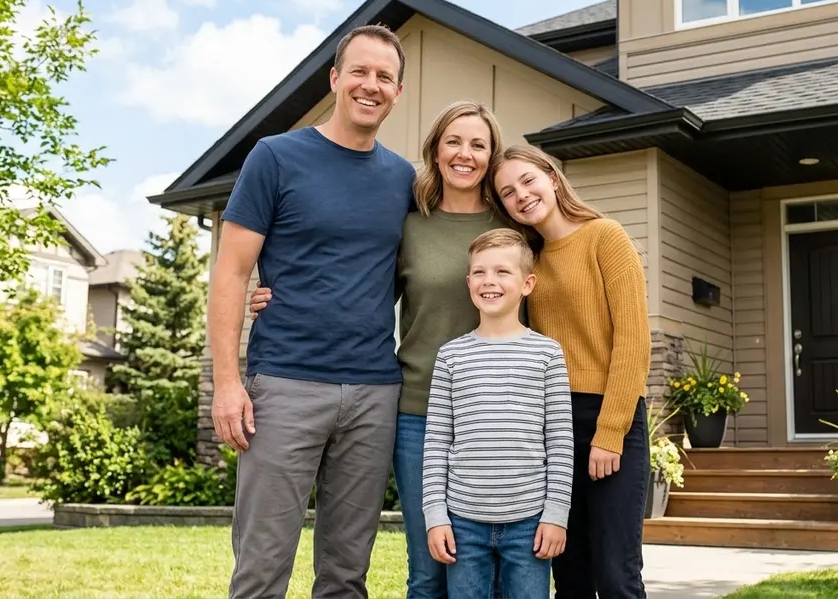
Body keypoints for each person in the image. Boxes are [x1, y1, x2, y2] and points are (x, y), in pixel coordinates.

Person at [247, 100, 514, 598]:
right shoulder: (411, 222)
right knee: (428, 567)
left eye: (479, 144)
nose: (465, 154)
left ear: (492, 155)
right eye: (453, 141)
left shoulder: (513, 231)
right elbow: (360, 283)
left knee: (500, 560)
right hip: (418, 407)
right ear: (434, 150)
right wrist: (276, 296)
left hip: (497, 415)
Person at [209, 23, 412, 599]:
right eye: (360, 72)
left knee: (347, 576)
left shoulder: (403, 179)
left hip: (375, 391)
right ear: (335, 79)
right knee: (261, 568)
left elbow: (406, 273)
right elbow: (231, 272)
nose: (370, 85)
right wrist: (227, 381)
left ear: (397, 92)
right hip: (285, 386)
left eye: (385, 76)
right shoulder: (276, 157)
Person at [490, 143, 652, 598]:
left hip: (609, 419)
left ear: (552, 177)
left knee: (616, 574)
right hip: (553, 427)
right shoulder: (530, 265)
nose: (521, 195)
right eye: (507, 192)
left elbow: (634, 341)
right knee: (570, 573)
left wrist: (610, 431)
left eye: (527, 181)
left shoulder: (606, 236)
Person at [421, 228, 574, 599]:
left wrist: (556, 515)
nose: (489, 281)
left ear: (527, 283)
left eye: (503, 272)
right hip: (462, 523)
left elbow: (559, 441)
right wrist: (435, 516)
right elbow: (438, 440)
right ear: (468, 281)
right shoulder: (451, 356)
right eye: (479, 272)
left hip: (529, 522)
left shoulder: (547, 355)